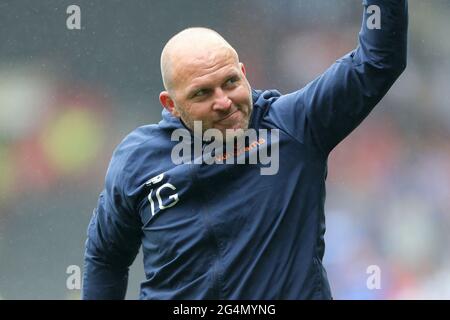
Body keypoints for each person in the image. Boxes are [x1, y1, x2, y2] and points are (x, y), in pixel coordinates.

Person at [83, 0, 408, 299]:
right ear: (171, 104)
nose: (223, 102)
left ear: (244, 73)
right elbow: (106, 257)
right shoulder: (137, 159)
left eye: (230, 82)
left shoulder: (295, 125)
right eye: (202, 94)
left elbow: (378, 61)